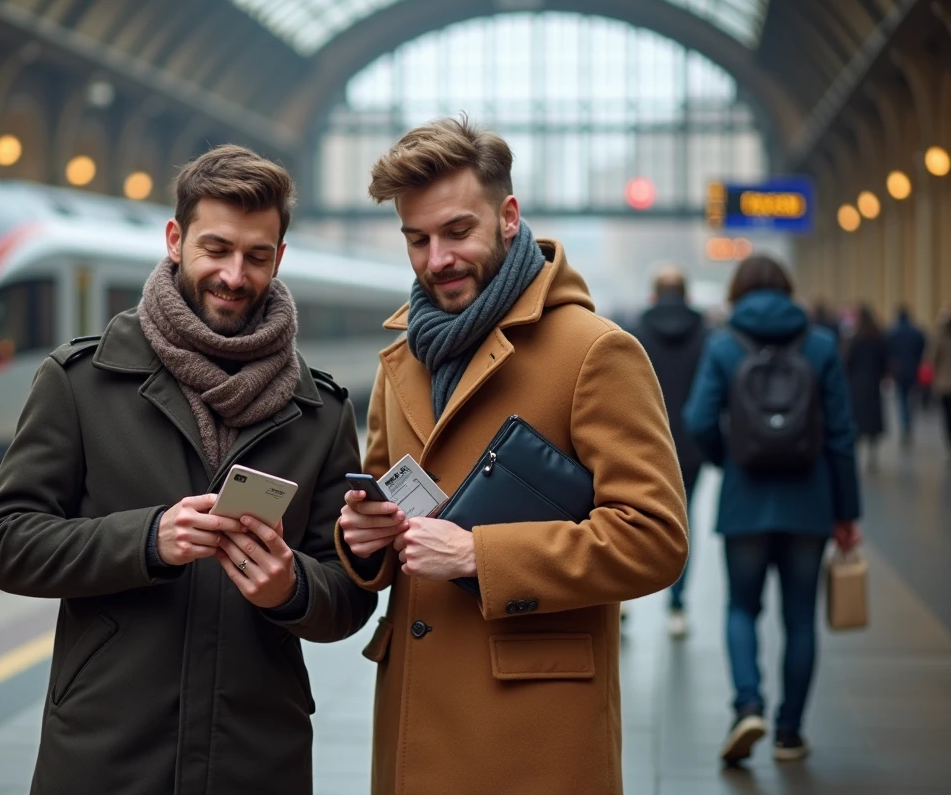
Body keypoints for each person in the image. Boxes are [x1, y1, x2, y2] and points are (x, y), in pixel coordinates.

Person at [0, 145, 377, 795]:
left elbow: (350, 594)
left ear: (280, 257)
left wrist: (293, 588)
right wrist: (146, 539)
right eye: (215, 248)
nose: (234, 274)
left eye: (257, 255)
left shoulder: (319, 411)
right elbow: (6, 544)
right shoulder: (81, 382)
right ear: (175, 239)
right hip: (107, 754)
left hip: (256, 758)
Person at [336, 117, 689, 795]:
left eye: (457, 231)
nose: (436, 258)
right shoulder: (402, 358)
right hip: (415, 724)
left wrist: (478, 556)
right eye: (417, 239)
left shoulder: (594, 352)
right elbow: (382, 502)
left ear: (507, 216)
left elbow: (656, 539)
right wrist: (361, 540)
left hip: (532, 735)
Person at [684, 255, 861, 765]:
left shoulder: (724, 346)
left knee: (742, 608)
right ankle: (789, 733)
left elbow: (697, 419)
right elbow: (841, 436)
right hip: (810, 501)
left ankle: (747, 707)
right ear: (788, 290)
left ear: (738, 291)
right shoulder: (822, 345)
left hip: (745, 499)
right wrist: (846, 513)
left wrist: (729, 459)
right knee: (800, 618)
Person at [631, 266, 708, 639]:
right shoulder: (706, 335)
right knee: (683, 524)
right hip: (690, 448)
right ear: (688, 295)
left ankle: (621, 603)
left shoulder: (636, 333)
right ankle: (677, 606)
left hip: (642, 445)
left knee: (626, 520)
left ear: (653, 295)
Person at [844, 304, 888, 470]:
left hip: (856, 385)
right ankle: (872, 453)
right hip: (873, 384)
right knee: (872, 420)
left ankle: (858, 453)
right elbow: (884, 362)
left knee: (857, 420)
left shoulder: (855, 340)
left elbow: (847, 362)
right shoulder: (878, 338)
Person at [886, 305, 927, 445]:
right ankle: (908, 422)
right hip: (913, 370)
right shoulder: (916, 332)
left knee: (901, 399)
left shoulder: (892, 333)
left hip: (899, 371)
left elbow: (888, 351)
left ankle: (905, 424)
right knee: (911, 398)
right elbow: (922, 349)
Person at [933, 307, 951, 458]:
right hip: (944, 384)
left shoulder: (940, 337)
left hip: (944, 385)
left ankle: (949, 443)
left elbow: (932, 360)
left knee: (947, 417)